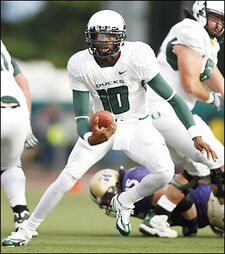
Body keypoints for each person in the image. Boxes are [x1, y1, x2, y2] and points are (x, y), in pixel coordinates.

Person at [2, 9, 218, 247]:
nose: (103, 42)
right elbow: (82, 115)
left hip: (138, 123)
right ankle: (26, 228)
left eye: (109, 36)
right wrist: (89, 136)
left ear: (121, 37)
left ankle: (125, 201)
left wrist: (194, 133)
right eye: (97, 36)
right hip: (103, 127)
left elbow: (173, 98)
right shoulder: (79, 63)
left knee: (165, 172)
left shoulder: (138, 55)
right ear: (89, 37)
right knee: (66, 178)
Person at [145, 0, 224, 237]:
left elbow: (217, 81)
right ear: (201, 13)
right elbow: (191, 85)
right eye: (215, 18)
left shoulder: (208, 42)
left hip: (173, 112)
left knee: (198, 168)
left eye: (223, 21)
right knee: (219, 161)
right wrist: (212, 99)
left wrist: (218, 95)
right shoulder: (190, 30)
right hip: (163, 108)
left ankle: (156, 218)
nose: (219, 25)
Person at [89, 167, 224, 237]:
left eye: (108, 198)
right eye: (106, 204)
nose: (109, 204)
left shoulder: (131, 182)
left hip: (207, 203)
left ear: (116, 184)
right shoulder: (130, 182)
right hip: (206, 207)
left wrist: (192, 223)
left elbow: (176, 195)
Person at [1, 40, 38, 235]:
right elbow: (24, 85)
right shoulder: (4, 51)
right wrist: (27, 125)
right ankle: (21, 215)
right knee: (11, 164)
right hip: (18, 112)